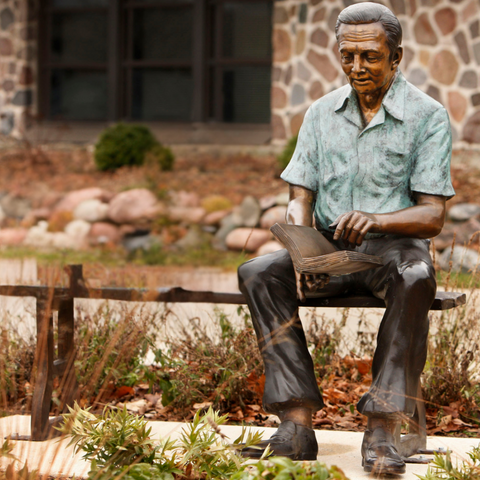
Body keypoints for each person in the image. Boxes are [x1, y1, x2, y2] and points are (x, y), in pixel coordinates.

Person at [238, 2, 454, 475]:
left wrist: (376, 220)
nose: (357, 66)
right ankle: (294, 424)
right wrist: (300, 244)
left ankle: (382, 427)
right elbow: (300, 193)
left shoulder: (427, 115)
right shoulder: (320, 113)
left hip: (394, 249)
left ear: (396, 58)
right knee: (257, 272)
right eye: (348, 55)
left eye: (370, 57)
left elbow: (432, 214)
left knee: (416, 276)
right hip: (331, 248)